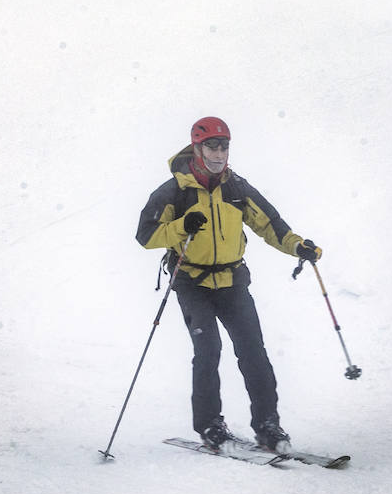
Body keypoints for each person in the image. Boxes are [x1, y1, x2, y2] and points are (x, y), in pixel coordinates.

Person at [135, 116, 322, 455]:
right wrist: (181, 226)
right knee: (208, 352)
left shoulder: (237, 188)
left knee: (254, 352)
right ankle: (210, 426)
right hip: (192, 281)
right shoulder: (173, 191)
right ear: (197, 147)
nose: (219, 153)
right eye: (212, 146)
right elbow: (145, 235)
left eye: (224, 146)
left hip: (233, 281)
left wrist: (298, 246)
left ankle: (268, 426)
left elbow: (271, 225)